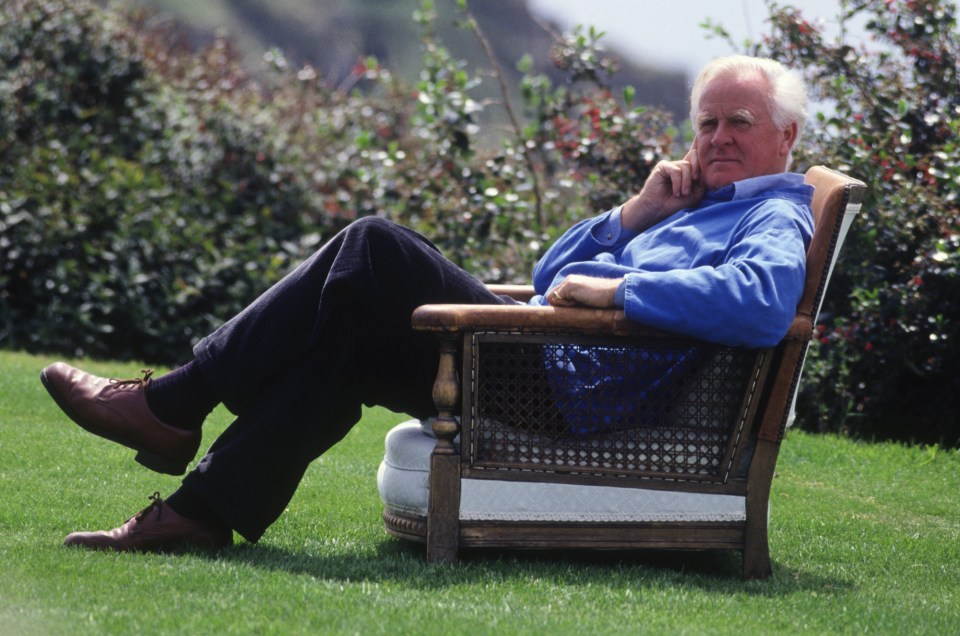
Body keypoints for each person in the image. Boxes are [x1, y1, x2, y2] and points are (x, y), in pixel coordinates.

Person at [40, 55, 814, 552]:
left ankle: (175, 402)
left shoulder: (771, 214)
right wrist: (632, 217)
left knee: (375, 244)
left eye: (737, 123)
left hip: (571, 386)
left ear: (785, 135)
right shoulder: (688, 205)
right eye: (706, 122)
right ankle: (203, 510)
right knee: (344, 340)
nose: (715, 138)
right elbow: (549, 275)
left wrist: (622, 287)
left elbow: (762, 305)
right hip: (548, 364)